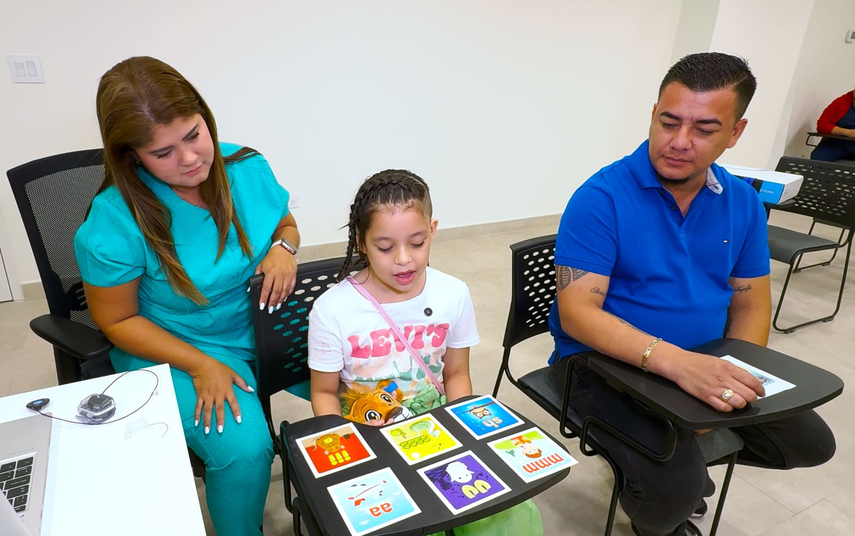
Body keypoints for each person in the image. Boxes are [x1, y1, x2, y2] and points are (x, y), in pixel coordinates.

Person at [548, 52, 836, 536]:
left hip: (706, 357)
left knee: (809, 443)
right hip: (602, 366)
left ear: (735, 133)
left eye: (704, 129)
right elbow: (577, 313)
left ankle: (670, 466)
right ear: (654, 113)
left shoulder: (742, 201)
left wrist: (732, 377)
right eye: (668, 122)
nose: (679, 143)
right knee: (673, 493)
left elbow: (750, 301)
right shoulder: (601, 198)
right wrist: (681, 366)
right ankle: (657, 507)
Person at [74, 56, 300, 536]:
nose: (191, 159)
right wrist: (200, 365)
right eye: (163, 152)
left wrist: (284, 247)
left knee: (369, 386)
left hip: (264, 321)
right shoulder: (113, 222)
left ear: (205, 117)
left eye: (195, 135)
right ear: (131, 156)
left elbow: (281, 220)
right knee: (243, 450)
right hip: (181, 345)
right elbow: (117, 321)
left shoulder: (245, 166)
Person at [308, 170, 543, 536]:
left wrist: (464, 433)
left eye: (417, 243)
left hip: (437, 433)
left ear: (432, 230)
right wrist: (350, 453)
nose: (403, 259)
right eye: (385, 247)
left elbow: (456, 375)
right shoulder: (332, 309)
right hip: (368, 439)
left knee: (509, 518)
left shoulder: (453, 293)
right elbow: (323, 393)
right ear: (361, 241)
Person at [811, 87, 855, 162]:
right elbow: (822, 125)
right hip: (837, 142)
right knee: (819, 157)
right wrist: (847, 132)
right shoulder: (841, 102)